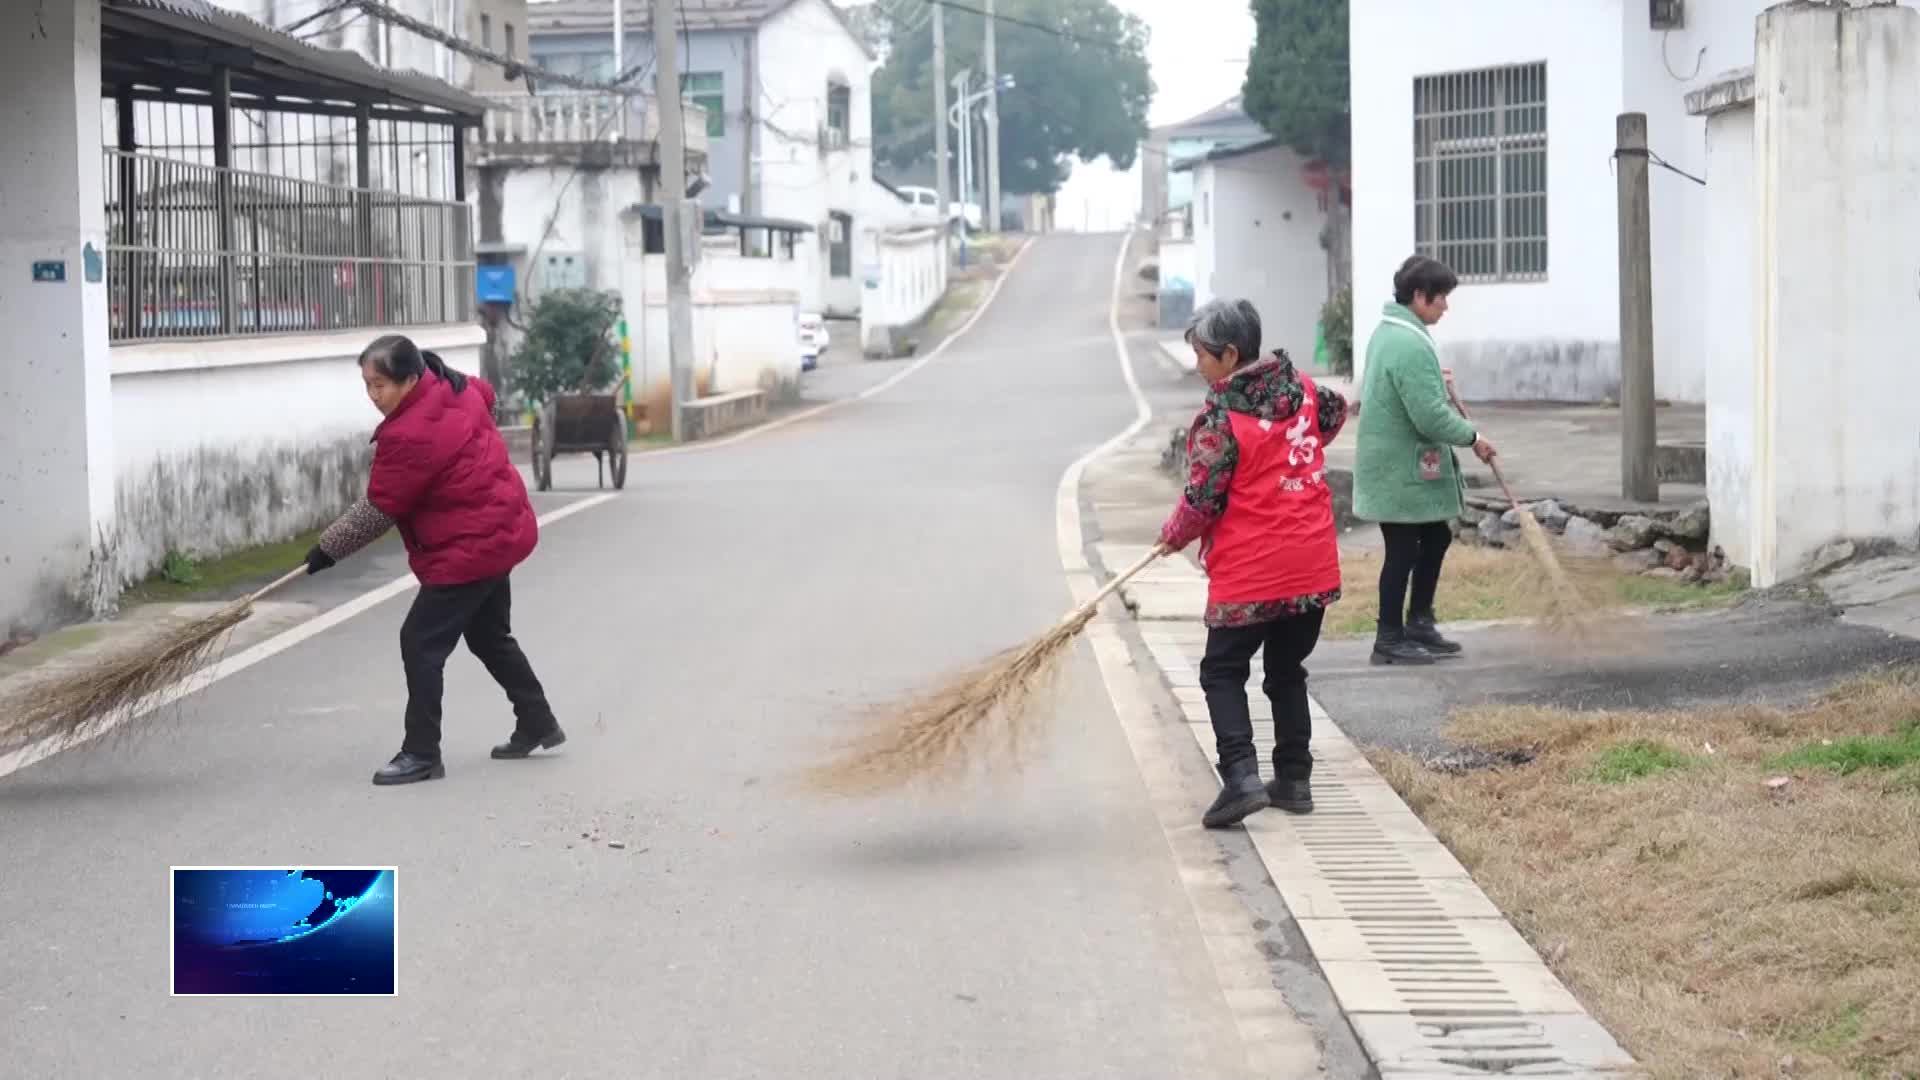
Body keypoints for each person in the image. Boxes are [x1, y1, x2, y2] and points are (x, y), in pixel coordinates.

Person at [305, 334, 565, 786]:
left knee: (420, 642)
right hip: (501, 528)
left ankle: (421, 752)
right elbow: (488, 394)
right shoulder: (454, 386)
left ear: (409, 379)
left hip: (469, 546)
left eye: (380, 385)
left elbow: (380, 508)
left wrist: (327, 549)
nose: (373, 396)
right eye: (366, 385)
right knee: (489, 635)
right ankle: (537, 721)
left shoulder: (409, 435)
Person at [1158, 299, 1350, 830]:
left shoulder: (1221, 418)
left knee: (1222, 670)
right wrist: (1290, 463)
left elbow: (1202, 501)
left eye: (1200, 353)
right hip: (1311, 564)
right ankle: (1294, 779)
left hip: (1253, 570)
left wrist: (1172, 537)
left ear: (1230, 354)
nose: (1196, 363)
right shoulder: (1306, 390)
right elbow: (1332, 418)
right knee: (1286, 670)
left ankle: (1241, 777)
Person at [1352, 255, 1497, 666]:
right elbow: (1429, 415)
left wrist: (1435, 378)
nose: (1445, 307)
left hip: (1401, 464)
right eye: (1441, 299)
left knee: (1435, 536)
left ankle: (1418, 622)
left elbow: (1417, 391)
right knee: (1401, 550)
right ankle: (1389, 638)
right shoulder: (1408, 343)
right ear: (1418, 296)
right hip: (1398, 469)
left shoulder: (1393, 333)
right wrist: (1474, 438)